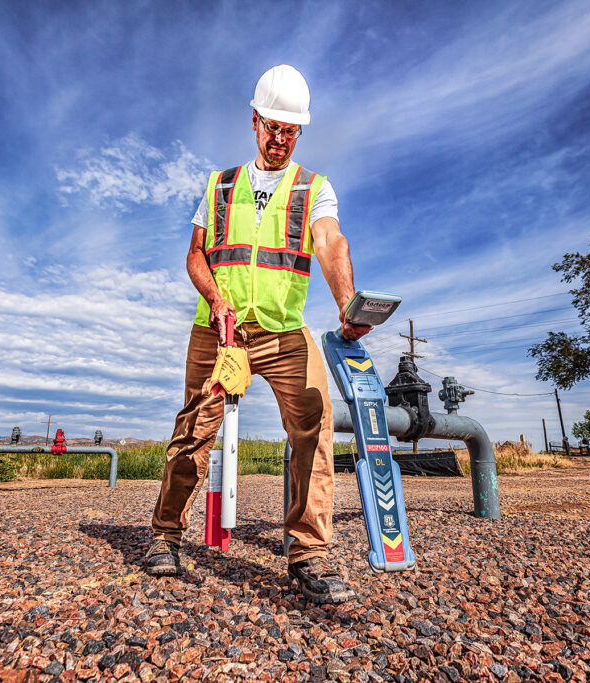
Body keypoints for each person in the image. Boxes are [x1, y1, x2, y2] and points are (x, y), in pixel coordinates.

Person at [146, 64, 371, 604]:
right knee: (193, 433)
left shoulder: (314, 188)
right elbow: (195, 253)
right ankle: (165, 537)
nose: (278, 138)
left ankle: (309, 555)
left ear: (299, 132)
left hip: (283, 332)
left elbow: (330, 243)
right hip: (219, 331)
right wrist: (217, 300)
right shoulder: (219, 186)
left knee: (314, 421)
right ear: (253, 122)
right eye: (270, 126)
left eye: (289, 130)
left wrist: (348, 304)